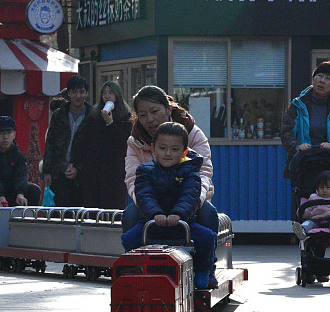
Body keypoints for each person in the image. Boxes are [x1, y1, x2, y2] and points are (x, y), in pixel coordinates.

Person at [120, 122, 216, 290]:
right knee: (128, 238)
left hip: (183, 222)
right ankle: (136, 267)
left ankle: (203, 269)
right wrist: (154, 213)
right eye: (162, 148)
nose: (168, 154)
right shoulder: (145, 171)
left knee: (207, 237)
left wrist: (179, 214)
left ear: (184, 152)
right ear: (153, 149)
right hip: (152, 222)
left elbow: (190, 195)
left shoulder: (190, 171)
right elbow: (144, 194)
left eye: (174, 149)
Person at [123, 85, 219, 235]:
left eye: (155, 111)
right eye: (142, 115)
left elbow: (204, 174)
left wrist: (192, 204)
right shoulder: (135, 142)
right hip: (150, 202)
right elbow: (132, 179)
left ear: (168, 109)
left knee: (208, 214)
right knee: (130, 215)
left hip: (191, 199)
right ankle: (135, 257)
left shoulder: (193, 134)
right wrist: (149, 207)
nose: (150, 119)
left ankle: (205, 257)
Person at [0, 115, 42, 244]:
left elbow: (21, 176)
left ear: (14, 134)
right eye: (1, 133)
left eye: (8, 133)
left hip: (11, 195)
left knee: (34, 190)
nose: (5, 137)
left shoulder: (18, 155)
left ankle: (28, 231)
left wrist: (20, 193)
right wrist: (1, 198)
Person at [70, 80, 133, 209]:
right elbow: (82, 140)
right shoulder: (93, 116)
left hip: (115, 169)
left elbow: (124, 140)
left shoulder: (125, 116)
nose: (107, 96)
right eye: (104, 93)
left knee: (113, 204)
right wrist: (76, 162)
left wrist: (110, 123)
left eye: (110, 93)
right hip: (94, 169)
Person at [281, 61, 330, 160]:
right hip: (302, 160)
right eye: (319, 76)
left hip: (329, 161)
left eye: (328, 78)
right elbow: (286, 132)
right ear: (313, 78)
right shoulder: (297, 104)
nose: (322, 81)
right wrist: (297, 147)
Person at [42, 75, 90, 206]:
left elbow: (93, 149)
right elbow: (50, 143)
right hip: (59, 173)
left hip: (83, 178)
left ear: (87, 93)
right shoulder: (59, 114)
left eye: (81, 92)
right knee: (59, 217)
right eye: (74, 92)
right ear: (68, 93)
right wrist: (47, 171)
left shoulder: (92, 116)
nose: (78, 96)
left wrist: (78, 169)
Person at [292, 170, 330, 252]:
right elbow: (309, 210)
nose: (324, 190)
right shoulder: (314, 197)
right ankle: (302, 232)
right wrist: (302, 213)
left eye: (328, 187)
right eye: (321, 187)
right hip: (316, 220)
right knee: (308, 223)